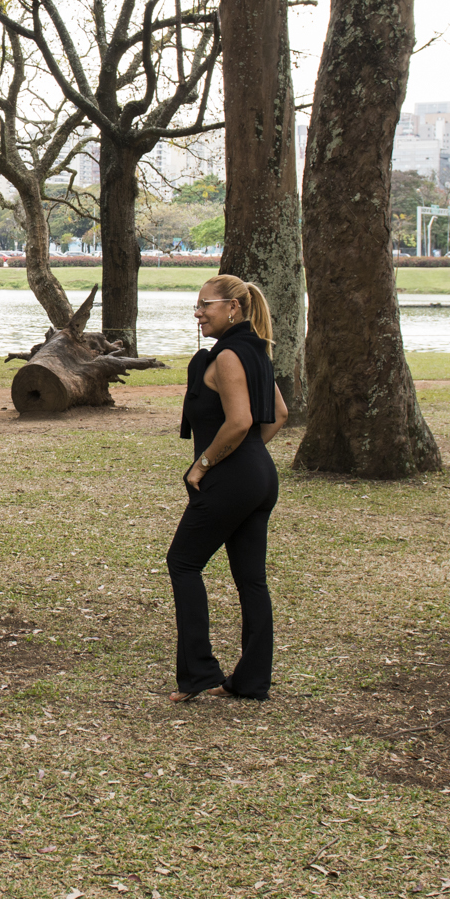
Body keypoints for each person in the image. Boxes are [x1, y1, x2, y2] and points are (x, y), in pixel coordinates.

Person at [165, 274, 287, 703]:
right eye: (196, 306)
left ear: (233, 307)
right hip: (258, 477)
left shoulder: (230, 357)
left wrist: (204, 464)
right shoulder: (254, 351)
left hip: (233, 478)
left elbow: (238, 423)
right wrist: (249, 456)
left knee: (182, 562)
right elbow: (278, 415)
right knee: (251, 579)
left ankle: (199, 673)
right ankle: (251, 683)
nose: (198, 313)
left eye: (205, 305)